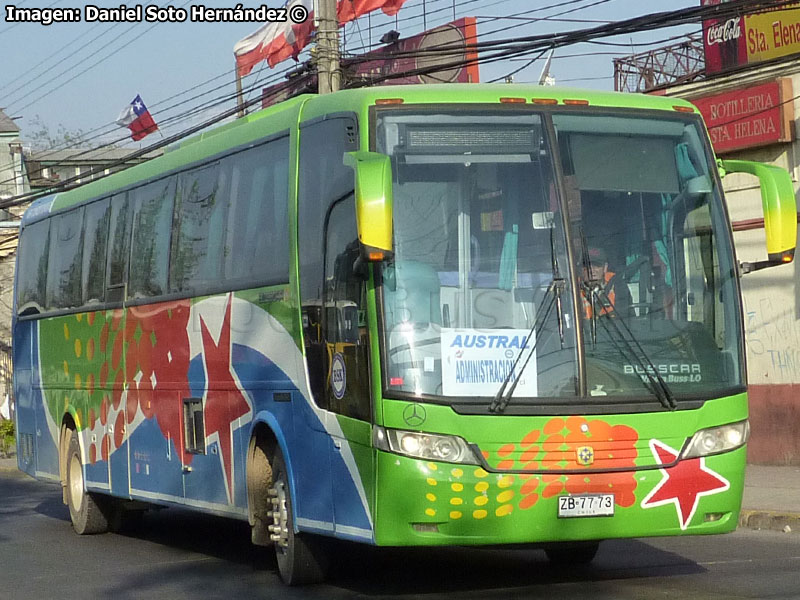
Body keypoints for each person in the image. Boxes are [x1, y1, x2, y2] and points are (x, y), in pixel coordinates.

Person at [582, 246, 630, 318]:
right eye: (587, 265)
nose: (592, 270)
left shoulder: (618, 286)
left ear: (605, 268)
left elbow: (626, 318)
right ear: (581, 269)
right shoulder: (571, 290)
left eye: (597, 265)